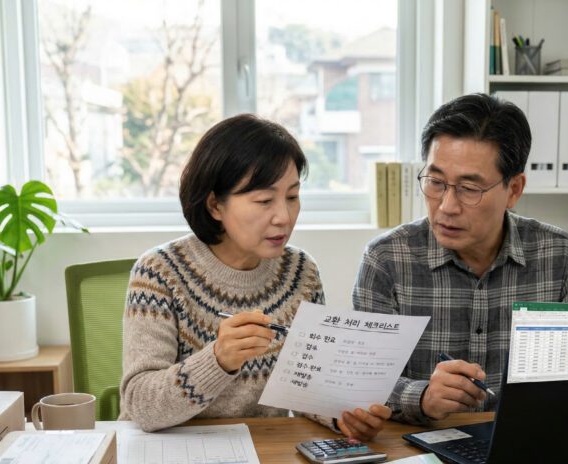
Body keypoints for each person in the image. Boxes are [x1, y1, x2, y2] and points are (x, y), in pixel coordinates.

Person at [121, 114, 390, 440]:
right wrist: (217, 361)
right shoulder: (159, 274)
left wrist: (343, 417)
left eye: (292, 197)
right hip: (171, 454)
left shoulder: (301, 274)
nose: (284, 217)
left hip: (264, 451)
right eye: (264, 200)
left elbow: (305, 387)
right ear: (215, 206)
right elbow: (140, 404)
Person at [353, 93, 568, 425]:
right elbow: (361, 381)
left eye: (469, 189)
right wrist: (422, 397)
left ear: (514, 190)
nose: (447, 206)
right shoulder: (386, 259)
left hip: (527, 443)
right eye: (436, 182)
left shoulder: (559, 255)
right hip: (419, 450)